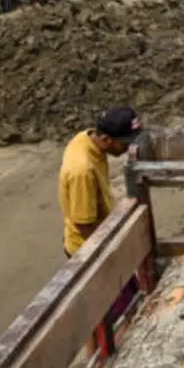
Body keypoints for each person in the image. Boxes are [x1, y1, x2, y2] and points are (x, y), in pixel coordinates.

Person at [59, 107, 144, 343]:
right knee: (118, 313)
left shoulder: (86, 139)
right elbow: (84, 224)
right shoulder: (82, 170)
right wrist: (114, 247)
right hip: (90, 248)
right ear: (106, 139)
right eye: (124, 143)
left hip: (102, 236)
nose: (127, 148)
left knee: (130, 297)